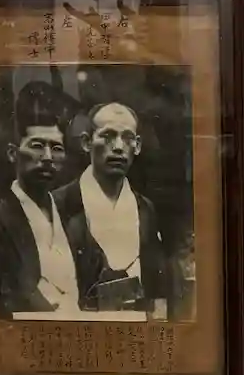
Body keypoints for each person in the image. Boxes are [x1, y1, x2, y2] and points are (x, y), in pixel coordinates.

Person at [54, 101, 169, 316]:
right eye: (107, 136)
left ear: (137, 146)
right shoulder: (60, 203)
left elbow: (156, 287)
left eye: (127, 138)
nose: (118, 147)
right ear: (87, 142)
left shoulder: (145, 209)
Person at [0, 86, 80, 318]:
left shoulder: (69, 212)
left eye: (56, 148)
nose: (47, 157)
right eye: (37, 146)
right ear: (13, 153)